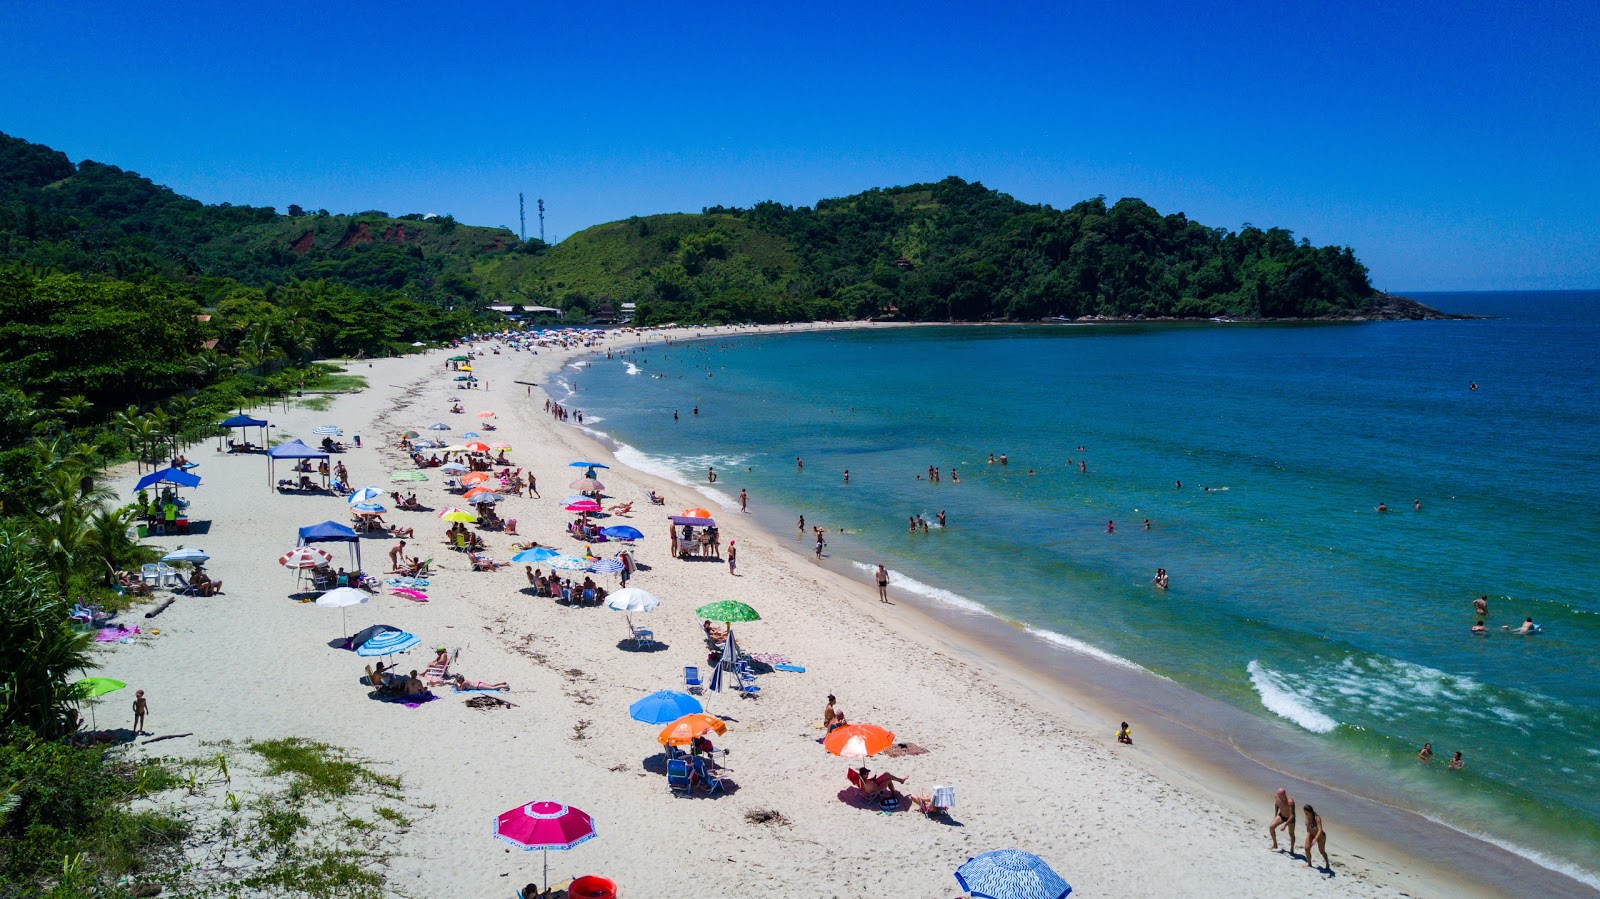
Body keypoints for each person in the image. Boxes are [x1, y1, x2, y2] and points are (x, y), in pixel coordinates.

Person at [1302, 804, 1330, 869]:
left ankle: (1327, 864)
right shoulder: (1307, 818)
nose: (1306, 815)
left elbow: (1320, 830)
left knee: (1322, 851)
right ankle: (1309, 863)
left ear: (1311, 812)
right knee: (1306, 848)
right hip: (1311, 834)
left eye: (1307, 813)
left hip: (1320, 836)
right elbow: (1308, 827)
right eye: (1305, 813)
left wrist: (1315, 839)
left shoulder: (1317, 818)